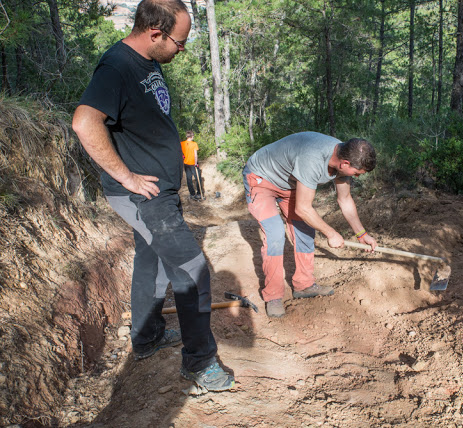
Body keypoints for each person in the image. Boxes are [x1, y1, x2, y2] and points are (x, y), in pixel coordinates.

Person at [72, 0, 234, 392]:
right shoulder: (117, 66)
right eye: (179, 42)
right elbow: (84, 122)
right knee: (192, 271)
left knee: (152, 264)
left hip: (159, 191)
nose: (183, 49)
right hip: (146, 197)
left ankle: (147, 338)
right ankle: (200, 362)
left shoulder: (148, 60)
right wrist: (126, 176)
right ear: (155, 33)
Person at [242, 131, 378, 318]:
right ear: (345, 164)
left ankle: (304, 285)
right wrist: (331, 233)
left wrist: (362, 234)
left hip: (290, 184)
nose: (356, 177)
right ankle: (273, 296)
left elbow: (345, 199)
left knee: (305, 230)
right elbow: (303, 209)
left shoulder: (346, 156)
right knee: (275, 235)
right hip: (261, 178)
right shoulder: (313, 158)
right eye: (356, 173)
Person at [181, 130, 202, 200]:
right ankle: (199, 194)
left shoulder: (182, 143)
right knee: (198, 178)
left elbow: (179, 152)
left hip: (186, 164)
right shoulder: (194, 144)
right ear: (192, 136)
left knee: (189, 179)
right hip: (193, 164)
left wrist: (183, 156)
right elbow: (195, 155)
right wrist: (196, 164)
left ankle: (192, 194)